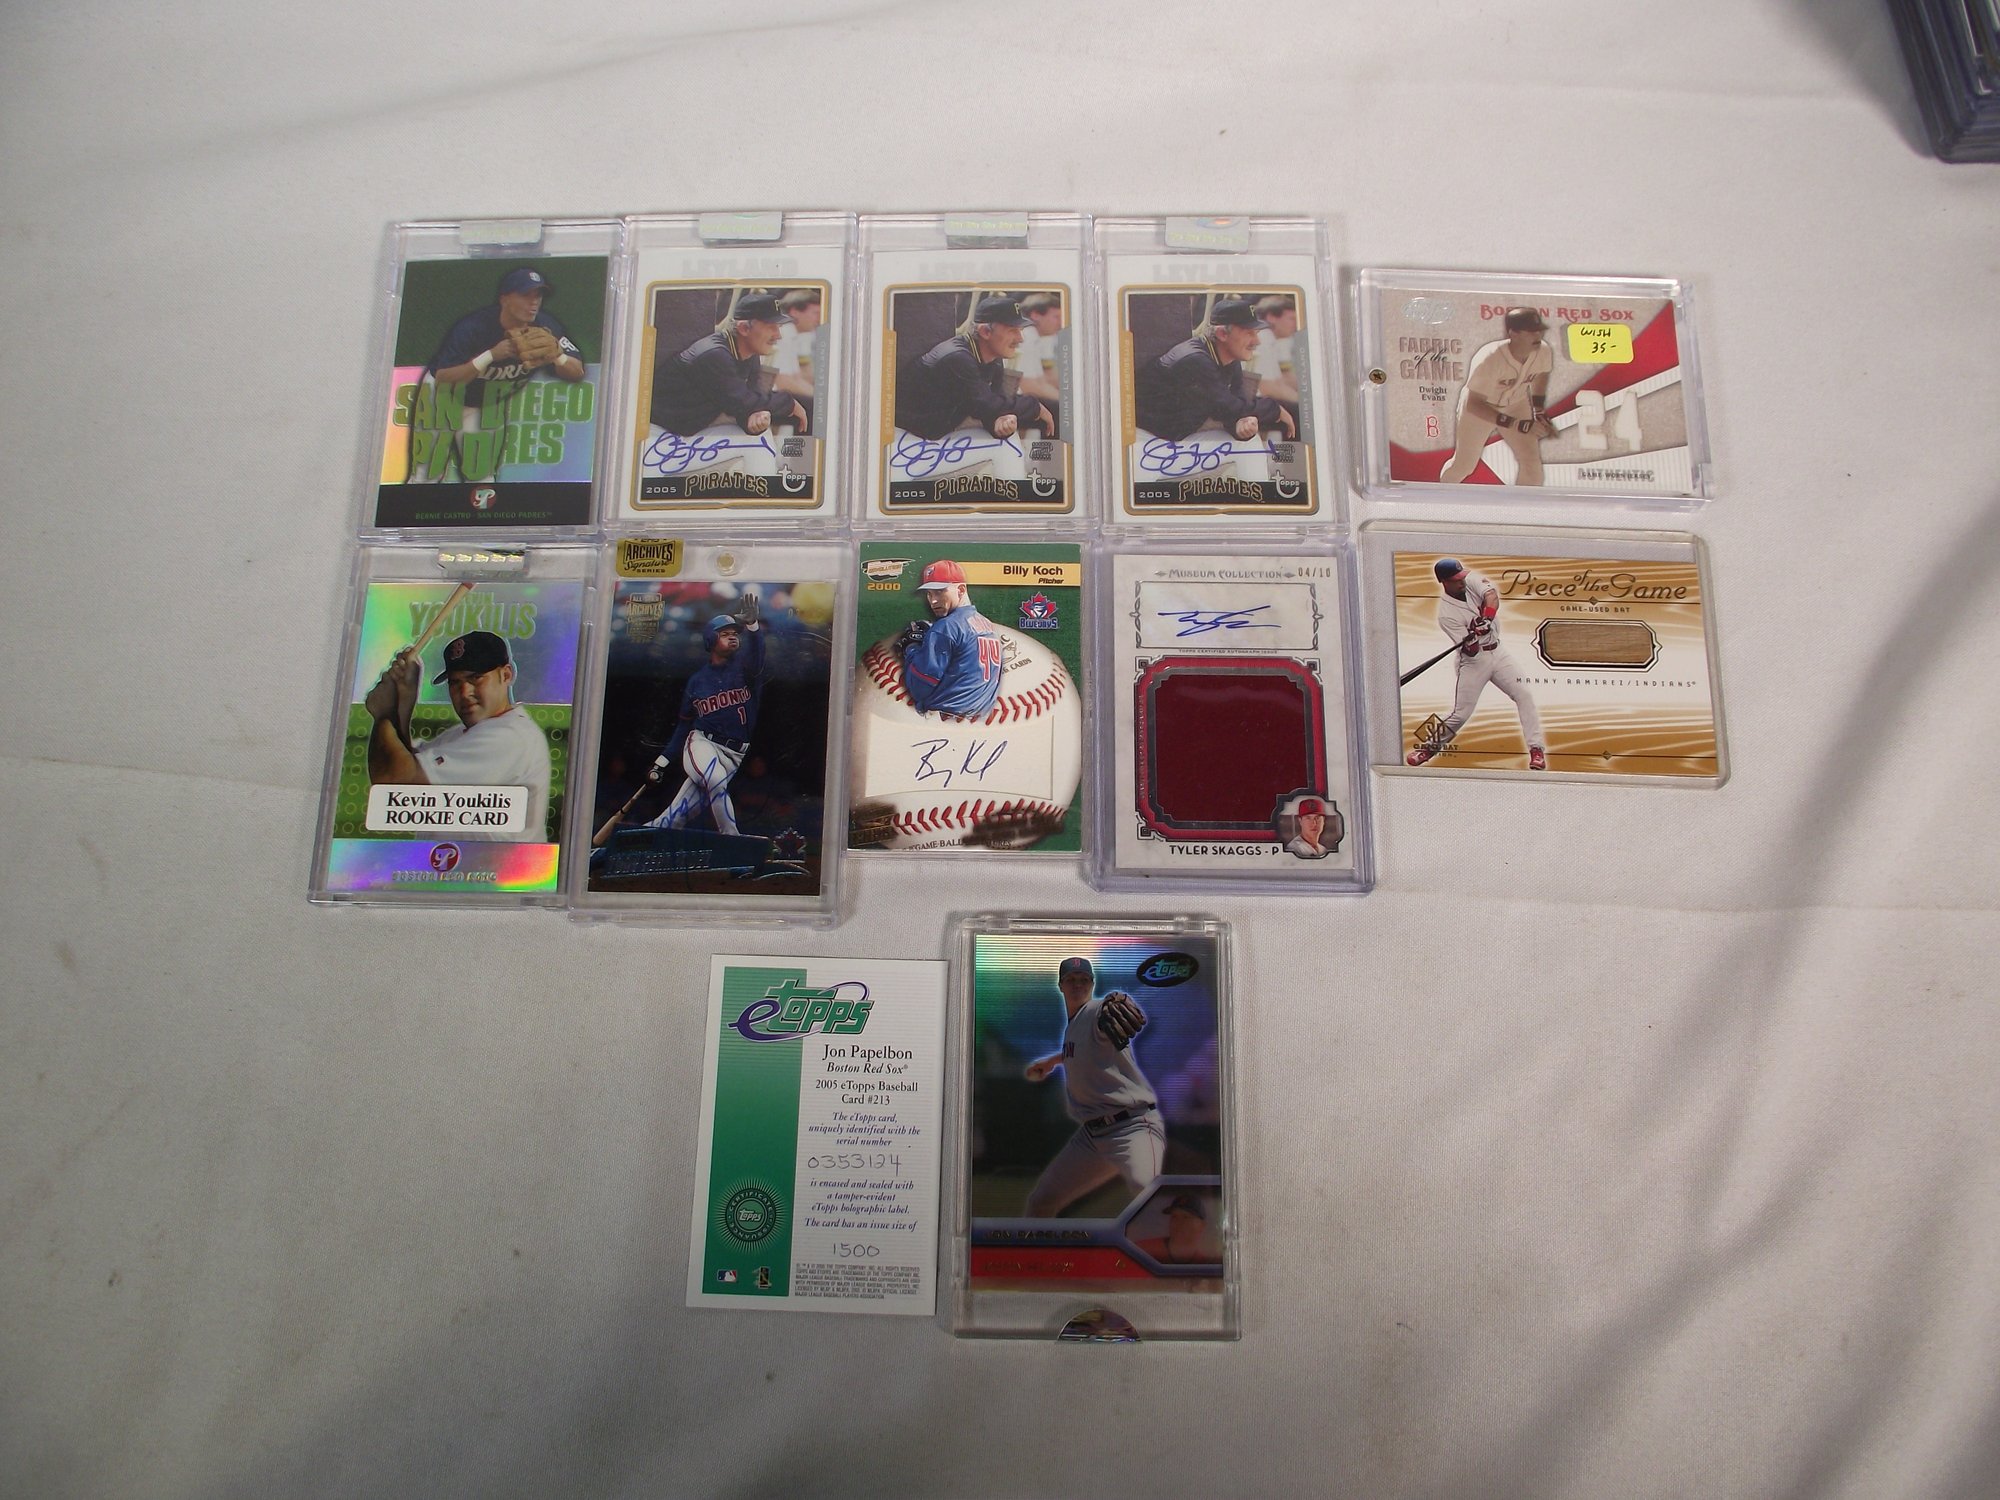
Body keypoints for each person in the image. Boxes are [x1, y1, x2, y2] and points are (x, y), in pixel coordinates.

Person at [364, 629, 552, 842]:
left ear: (506, 675)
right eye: (455, 682)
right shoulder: (462, 736)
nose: (464, 692)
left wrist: (384, 714)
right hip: (459, 862)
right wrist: (404, 698)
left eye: (475, 678)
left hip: (496, 864)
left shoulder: (511, 737)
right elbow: (403, 763)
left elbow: (394, 782)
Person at [1022, 955, 1165, 1218]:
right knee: (1041, 1202)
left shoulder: (1096, 1011)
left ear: (1092, 983)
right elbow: (1079, 1051)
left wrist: (1116, 1002)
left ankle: (1183, 1237)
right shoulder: (1073, 1025)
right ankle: (1038, 1247)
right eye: (1071, 979)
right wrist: (1052, 1061)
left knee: (1146, 1191)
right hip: (1092, 1137)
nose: (1078, 984)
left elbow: (1105, 1013)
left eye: (1084, 979)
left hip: (1133, 1127)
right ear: (1061, 985)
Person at [415, 266, 585, 481]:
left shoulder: (546, 327)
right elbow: (443, 378)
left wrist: (558, 356)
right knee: (426, 476)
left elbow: (577, 371)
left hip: (484, 406)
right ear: (504, 299)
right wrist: (490, 356)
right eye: (525, 295)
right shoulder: (474, 327)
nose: (533, 302)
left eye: (538, 295)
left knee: (482, 479)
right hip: (442, 400)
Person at [1133, 297, 1297, 485]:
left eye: (1257, 332)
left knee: (1248, 442)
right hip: (1144, 447)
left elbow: (1235, 408)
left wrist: (1240, 426)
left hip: (1176, 445)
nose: (1256, 341)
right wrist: (1275, 409)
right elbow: (1227, 405)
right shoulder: (1194, 358)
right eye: (1248, 332)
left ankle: (1258, 500)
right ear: (1222, 333)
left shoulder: (1229, 358)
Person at [890, 295, 1054, 482]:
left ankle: (1015, 497)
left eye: (1020, 330)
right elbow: (986, 403)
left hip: (931, 444)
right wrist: (1035, 407)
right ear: (985, 331)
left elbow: (992, 408)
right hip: (900, 446)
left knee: (1007, 441)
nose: (1020, 338)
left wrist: (999, 424)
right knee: (1008, 445)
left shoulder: (992, 359)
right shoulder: (956, 357)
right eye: (1012, 330)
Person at [645, 294, 809, 480]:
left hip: (686, 437)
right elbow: (742, 400)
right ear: (744, 328)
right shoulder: (713, 354)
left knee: (759, 437)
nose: (778, 335)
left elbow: (748, 401)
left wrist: (752, 420)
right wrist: (789, 403)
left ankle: (765, 493)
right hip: (654, 440)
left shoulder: (749, 353)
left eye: (778, 327)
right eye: (771, 326)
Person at [1408, 559, 1547, 771]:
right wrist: (1472, 636)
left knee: (1524, 695)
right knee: (1461, 713)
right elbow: (1470, 650)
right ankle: (1428, 748)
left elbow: (1492, 596)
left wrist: (1487, 619)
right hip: (1474, 662)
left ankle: (1536, 749)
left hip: (1498, 653)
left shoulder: (1469, 580)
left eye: (1461, 577)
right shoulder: (1446, 614)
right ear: (1444, 582)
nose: (1461, 582)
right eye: (1456, 580)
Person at [643, 598, 766, 835]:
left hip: (735, 754)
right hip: (703, 743)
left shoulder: (745, 669)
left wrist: (753, 627)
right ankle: (732, 839)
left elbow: (757, 656)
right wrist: (662, 762)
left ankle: (627, 844)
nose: (732, 637)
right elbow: (683, 726)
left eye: (735, 634)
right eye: (725, 634)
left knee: (675, 818)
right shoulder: (697, 681)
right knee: (716, 780)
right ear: (711, 639)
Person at [1441, 306, 1556, 485]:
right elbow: (1473, 403)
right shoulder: (1489, 358)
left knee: (1531, 462)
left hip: (1516, 404)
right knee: (1464, 465)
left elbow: (1542, 375)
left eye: (1539, 330)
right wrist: (1516, 424)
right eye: (1531, 332)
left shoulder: (1543, 351)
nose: (1538, 336)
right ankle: (1442, 495)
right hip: (1480, 408)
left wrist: (1539, 411)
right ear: (1513, 333)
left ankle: (1526, 503)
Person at [895, 559, 1004, 719]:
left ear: (961, 589)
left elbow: (919, 688)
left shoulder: (946, 627)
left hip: (946, 723)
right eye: (929, 593)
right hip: (981, 720)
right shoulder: (989, 626)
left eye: (939, 591)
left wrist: (912, 648)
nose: (933, 600)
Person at [771, 287, 822, 425]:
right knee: (814, 409)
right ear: (795, 312)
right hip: (767, 398)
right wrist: (820, 398)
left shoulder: (795, 334)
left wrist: (821, 396)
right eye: (815, 313)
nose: (819, 319)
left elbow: (797, 377)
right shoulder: (783, 334)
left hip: (780, 395)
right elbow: (783, 382)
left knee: (817, 406)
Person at [1132, 1193, 1215, 1265]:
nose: (1178, 1223)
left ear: (1202, 1225)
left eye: (1186, 1217)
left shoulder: (1204, 1263)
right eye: (1174, 1217)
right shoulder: (1142, 1249)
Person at [1250, 294, 1300, 408]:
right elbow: (1267, 387)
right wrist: (1305, 404)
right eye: (1291, 319)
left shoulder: (1270, 338)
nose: (1295, 324)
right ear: (1271, 317)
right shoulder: (1262, 338)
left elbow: (1280, 381)